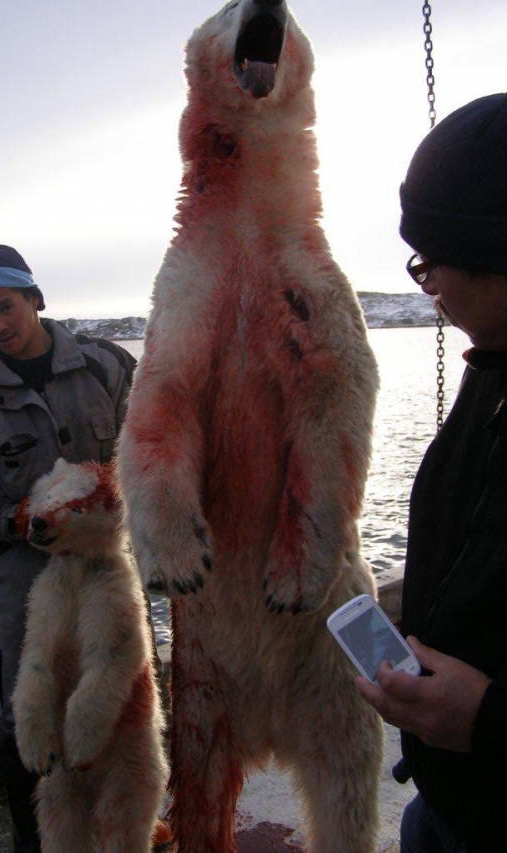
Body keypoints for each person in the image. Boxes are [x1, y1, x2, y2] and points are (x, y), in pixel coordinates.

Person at [0, 245, 167, 852]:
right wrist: (16, 517)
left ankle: (133, 823)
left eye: (5, 306)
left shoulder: (108, 366)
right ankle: (37, 839)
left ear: (34, 298)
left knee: (127, 693)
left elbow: (148, 452)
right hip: (22, 578)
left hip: (110, 564)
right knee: (25, 718)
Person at [356, 93, 507, 853]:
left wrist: (487, 720)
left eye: (432, 262)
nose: (430, 285)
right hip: (450, 800)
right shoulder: (492, 364)